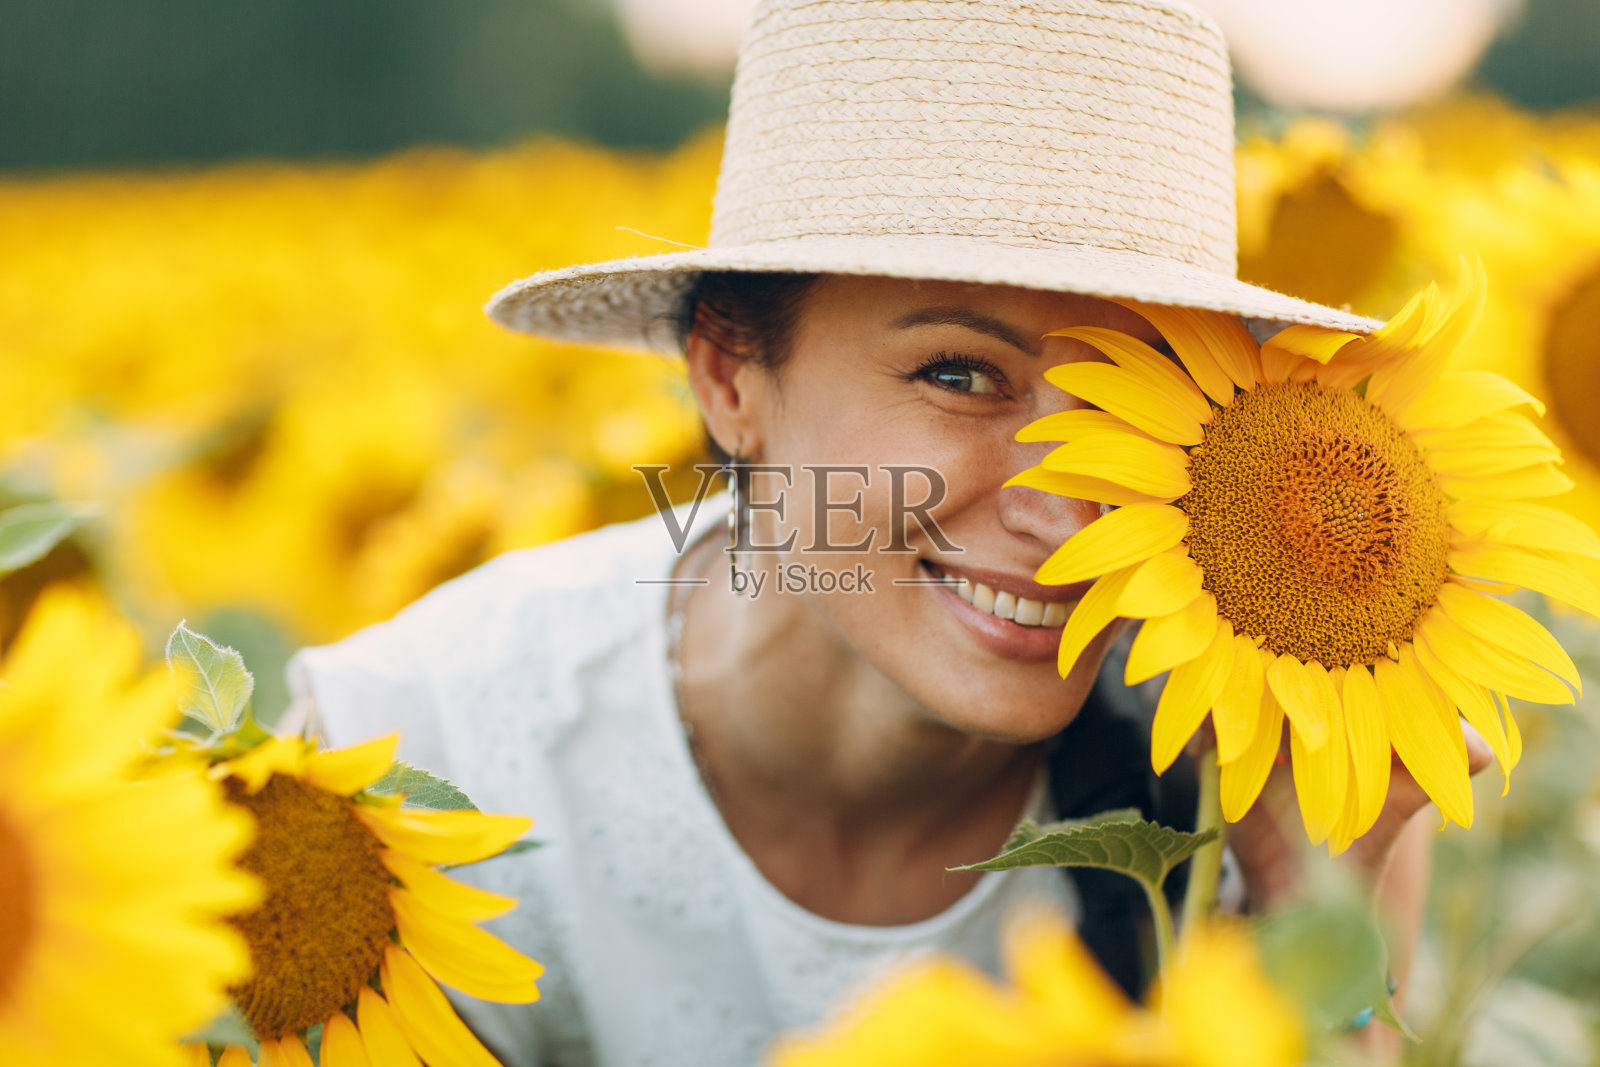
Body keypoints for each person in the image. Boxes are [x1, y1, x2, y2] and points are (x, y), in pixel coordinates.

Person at [289, 1, 1489, 1064]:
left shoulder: (1252, 774)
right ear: (728, 374)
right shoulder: (418, 764)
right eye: (961, 374)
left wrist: (1302, 897)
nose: (1068, 506)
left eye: (1141, 398)